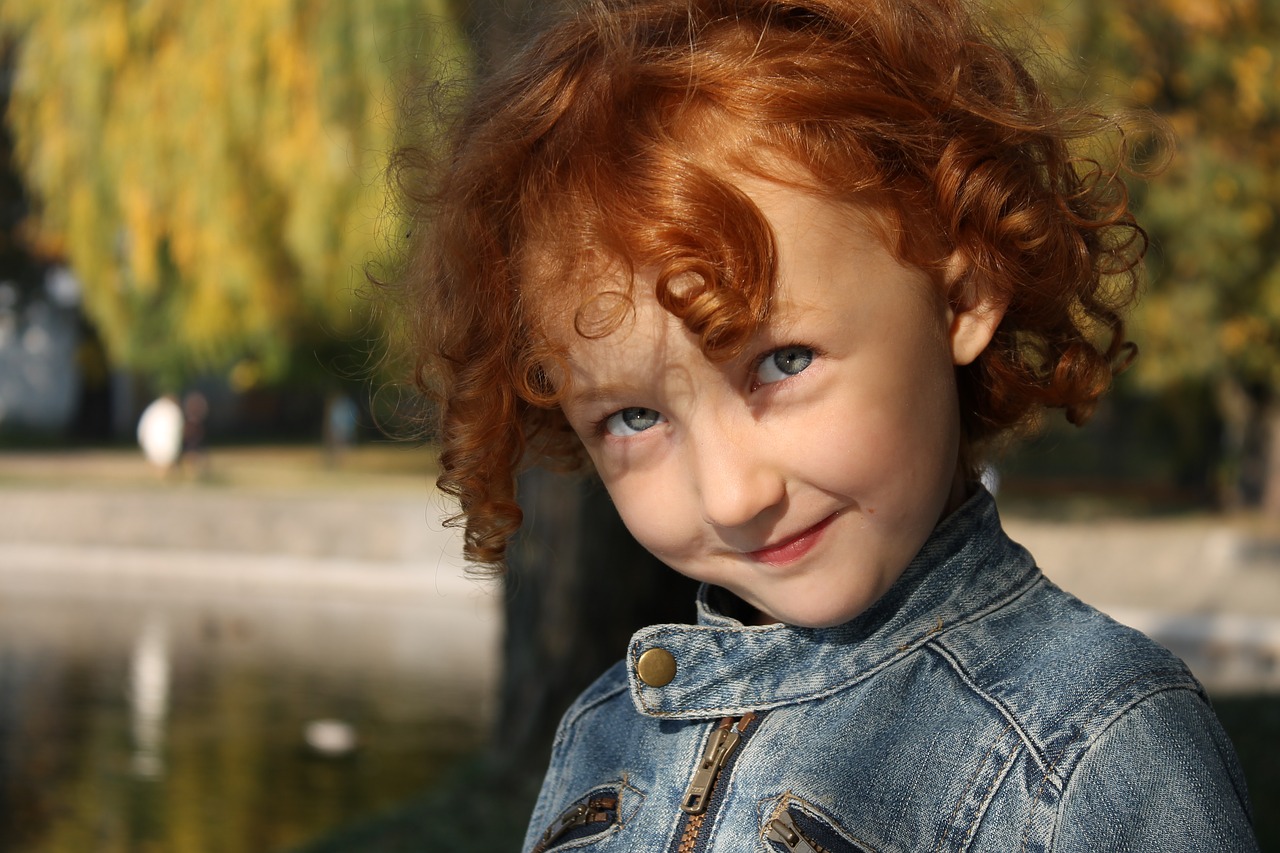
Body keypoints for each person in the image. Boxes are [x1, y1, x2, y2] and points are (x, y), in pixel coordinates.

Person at [387, 0, 1259, 849]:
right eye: (635, 415)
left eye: (783, 362)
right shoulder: (606, 731)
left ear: (961, 293)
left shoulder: (1090, 751)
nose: (732, 496)